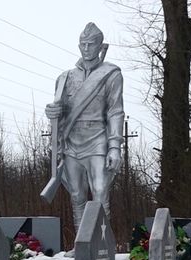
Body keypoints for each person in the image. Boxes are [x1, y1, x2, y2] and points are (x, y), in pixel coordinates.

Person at [45, 22, 124, 236]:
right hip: (72, 142)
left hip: (98, 138)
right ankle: (82, 242)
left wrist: (115, 147)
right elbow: (59, 111)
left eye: (91, 44)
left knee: (100, 191)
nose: (86, 48)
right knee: (77, 195)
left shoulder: (111, 74)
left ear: (100, 46)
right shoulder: (65, 78)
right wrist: (52, 112)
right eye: (83, 44)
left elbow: (115, 112)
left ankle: (101, 243)